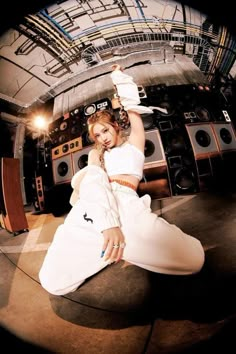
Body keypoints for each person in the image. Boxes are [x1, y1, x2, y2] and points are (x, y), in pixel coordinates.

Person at [39, 64, 205, 296]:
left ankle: (116, 247)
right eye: (97, 135)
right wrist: (107, 224)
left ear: (115, 127)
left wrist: (118, 78)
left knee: (193, 259)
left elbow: (132, 108)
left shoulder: (134, 144)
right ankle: (109, 246)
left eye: (105, 131)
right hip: (95, 202)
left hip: (127, 205)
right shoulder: (96, 155)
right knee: (52, 281)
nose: (102, 138)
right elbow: (94, 182)